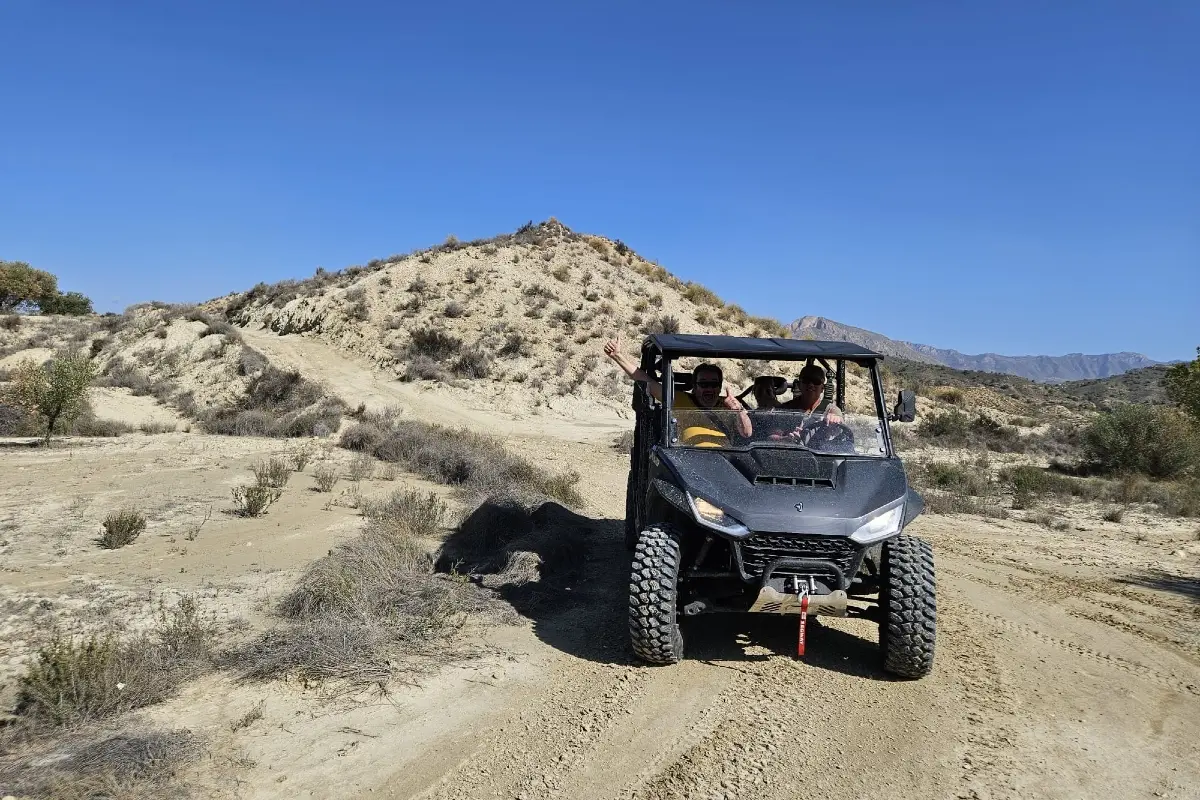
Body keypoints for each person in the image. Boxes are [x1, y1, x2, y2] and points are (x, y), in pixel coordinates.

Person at [602, 335, 751, 445]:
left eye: (714, 384)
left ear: (719, 387)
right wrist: (618, 356)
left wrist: (738, 410)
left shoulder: (729, 405)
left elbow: (747, 433)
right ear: (694, 386)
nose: (709, 389)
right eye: (703, 384)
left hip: (725, 465)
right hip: (690, 463)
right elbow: (645, 379)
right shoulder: (680, 399)